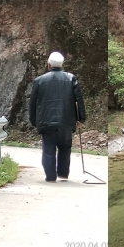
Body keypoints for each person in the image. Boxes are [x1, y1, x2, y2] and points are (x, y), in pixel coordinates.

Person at [28, 51, 86, 182]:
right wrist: (80, 118)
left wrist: (34, 120)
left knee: (48, 149)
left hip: (46, 122)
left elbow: (33, 103)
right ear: (62, 65)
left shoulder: (39, 80)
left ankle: (50, 176)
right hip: (66, 120)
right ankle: (63, 174)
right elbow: (79, 100)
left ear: (49, 65)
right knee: (65, 147)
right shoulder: (71, 78)